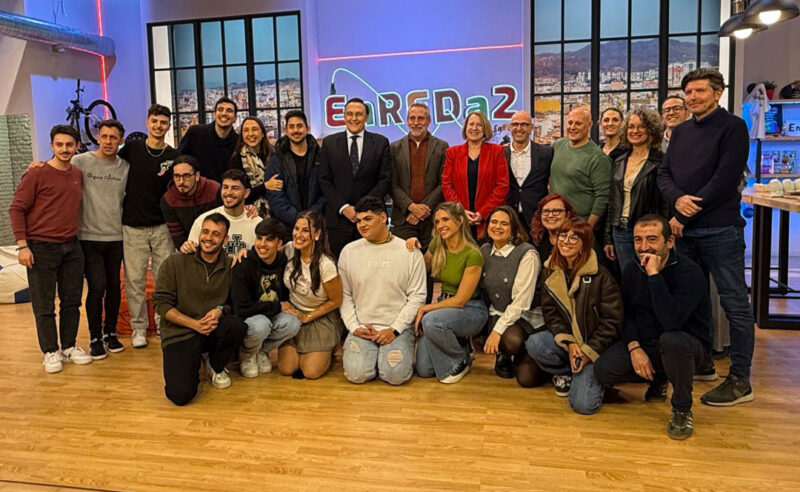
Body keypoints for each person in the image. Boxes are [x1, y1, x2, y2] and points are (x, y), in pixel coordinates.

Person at [657, 68, 755, 406]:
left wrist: (683, 211)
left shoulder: (733, 128)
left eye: (700, 91)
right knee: (694, 301)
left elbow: (725, 179)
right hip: (686, 232)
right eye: (688, 92)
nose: (692, 97)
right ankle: (703, 364)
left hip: (720, 229)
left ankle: (741, 380)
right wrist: (676, 201)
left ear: (718, 93)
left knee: (734, 304)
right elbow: (665, 173)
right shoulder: (681, 132)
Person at [594, 215, 713, 440]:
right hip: (647, 343)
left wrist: (654, 276)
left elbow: (672, 321)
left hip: (686, 346)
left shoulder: (689, 273)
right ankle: (658, 377)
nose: (644, 247)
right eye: (638, 240)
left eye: (651, 239)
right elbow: (627, 314)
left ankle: (681, 408)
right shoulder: (631, 269)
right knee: (603, 370)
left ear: (669, 242)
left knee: (672, 340)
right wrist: (634, 347)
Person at [9, 125, 92, 372]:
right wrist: (22, 246)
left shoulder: (77, 173)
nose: (64, 149)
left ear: (77, 146)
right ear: (52, 146)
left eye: (69, 145)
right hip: (40, 248)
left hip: (71, 246)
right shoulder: (36, 174)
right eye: (59, 145)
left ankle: (68, 346)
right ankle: (50, 351)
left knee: (71, 301)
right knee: (44, 305)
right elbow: (16, 209)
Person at [525, 218, 622, 414]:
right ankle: (569, 373)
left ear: (585, 244)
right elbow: (550, 314)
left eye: (574, 237)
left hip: (594, 346)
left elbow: (612, 321)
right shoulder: (550, 271)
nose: (566, 241)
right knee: (535, 344)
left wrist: (587, 351)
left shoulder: (602, 276)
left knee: (583, 406)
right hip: (570, 343)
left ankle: (591, 378)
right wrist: (569, 343)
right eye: (563, 235)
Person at [154, 213, 247, 405]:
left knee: (237, 325)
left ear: (225, 239)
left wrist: (220, 309)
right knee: (180, 395)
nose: (208, 238)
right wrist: (193, 324)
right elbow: (161, 304)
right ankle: (194, 361)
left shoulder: (231, 265)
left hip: (212, 328)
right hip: (181, 332)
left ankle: (214, 363)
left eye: (215, 234)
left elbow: (233, 303)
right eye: (205, 232)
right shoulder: (175, 262)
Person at [338, 196, 426, 385]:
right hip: (363, 327)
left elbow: (417, 296)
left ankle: (398, 350)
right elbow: (344, 295)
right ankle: (371, 356)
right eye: (359, 220)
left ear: (383, 218)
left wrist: (394, 330)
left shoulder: (408, 250)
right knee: (356, 375)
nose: (362, 225)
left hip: (397, 328)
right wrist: (354, 327)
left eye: (368, 219)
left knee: (395, 376)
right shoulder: (348, 251)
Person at [118, 104, 179, 349]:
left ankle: (163, 323)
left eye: (163, 122)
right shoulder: (132, 148)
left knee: (164, 278)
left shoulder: (173, 155)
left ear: (169, 126)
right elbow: (105, 159)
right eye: (154, 121)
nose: (158, 126)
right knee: (134, 280)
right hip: (132, 225)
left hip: (162, 225)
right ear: (147, 122)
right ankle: (139, 328)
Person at [413, 202, 489, 384]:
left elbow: (460, 300)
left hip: (471, 309)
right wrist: (412, 250)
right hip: (444, 307)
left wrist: (426, 308)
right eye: (437, 221)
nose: (441, 226)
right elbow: (418, 268)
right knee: (424, 369)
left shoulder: (473, 254)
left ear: (460, 220)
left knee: (430, 321)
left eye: (445, 219)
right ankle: (461, 346)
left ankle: (461, 359)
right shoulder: (436, 245)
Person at [72, 120, 129, 360]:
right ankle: (94, 336)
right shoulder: (80, 161)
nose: (108, 141)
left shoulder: (124, 166)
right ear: (97, 138)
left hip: (116, 237)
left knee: (114, 287)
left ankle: (110, 333)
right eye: (104, 136)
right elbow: (56, 169)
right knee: (97, 286)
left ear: (120, 140)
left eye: (113, 137)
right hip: (88, 236)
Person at [480, 205, 548, 387]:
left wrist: (496, 332)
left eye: (504, 223)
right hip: (501, 314)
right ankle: (509, 354)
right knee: (512, 343)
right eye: (493, 222)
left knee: (527, 379)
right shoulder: (484, 250)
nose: (497, 227)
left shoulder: (527, 254)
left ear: (514, 228)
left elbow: (521, 303)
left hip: (529, 317)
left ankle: (533, 354)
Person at [319, 98, 392, 255]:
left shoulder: (381, 142)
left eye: (359, 114)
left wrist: (362, 209)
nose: (354, 118)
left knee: (373, 267)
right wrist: (344, 208)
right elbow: (324, 180)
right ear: (344, 116)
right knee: (342, 269)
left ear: (366, 117)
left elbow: (385, 179)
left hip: (371, 218)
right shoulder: (329, 143)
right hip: (339, 220)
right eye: (349, 114)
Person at [276, 211, 345, 379]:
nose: (298, 235)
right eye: (296, 228)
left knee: (310, 372)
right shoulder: (290, 248)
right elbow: (266, 256)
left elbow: (336, 301)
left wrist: (308, 317)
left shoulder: (326, 264)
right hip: (294, 312)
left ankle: (332, 346)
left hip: (320, 314)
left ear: (317, 234)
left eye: (305, 230)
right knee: (287, 369)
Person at [231, 218, 301, 378]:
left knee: (293, 322)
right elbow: (240, 308)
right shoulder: (243, 263)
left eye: (269, 239)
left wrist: (279, 308)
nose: (262, 244)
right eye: (259, 238)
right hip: (250, 317)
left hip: (270, 314)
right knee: (261, 324)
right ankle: (247, 354)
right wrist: (276, 307)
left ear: (279, 243)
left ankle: (262, 351)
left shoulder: (283, 262)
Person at [603, 109, 668, 271]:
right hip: (620, 230)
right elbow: (612, 201)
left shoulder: (660, 161)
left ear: (651, 129)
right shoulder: (618, 161)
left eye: (641, 126)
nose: (635, 131)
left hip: (648, 231)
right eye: (631, 127)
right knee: (628, 279)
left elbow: (665, 202)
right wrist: (608, 237)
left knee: (651, 274)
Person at [390, 103, 449, 251]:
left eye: (420, 118)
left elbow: (445, 183)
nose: (416, 123)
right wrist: (411, 207)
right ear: (407, 121)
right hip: (403, 218)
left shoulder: (442, 146)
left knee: (433, 265)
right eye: (412, 118)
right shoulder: (394, 148)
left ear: (428, 121)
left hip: (433, 218)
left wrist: (423, 209)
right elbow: (391, 183)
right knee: (405, 266)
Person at [442, 110, 508, 239]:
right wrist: (460, 210)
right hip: (460, 218)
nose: (474, 128)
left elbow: (502, 185)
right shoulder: (452, 153)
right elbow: (446, 185)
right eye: (471, 124)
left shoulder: (497, 151)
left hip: (488, 219)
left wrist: (483, 213)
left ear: (485, 129)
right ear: (465, 128)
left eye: (479, 125)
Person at [548, 107, 612, 240]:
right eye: (570, 123)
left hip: (579, 225)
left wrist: (587, 228)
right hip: (555, 223)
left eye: (578, 123)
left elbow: (602, 197)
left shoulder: (598, 158)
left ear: (590, 125)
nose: (572, 127)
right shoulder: (558, 145)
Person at [265, 110, 326, 237]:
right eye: (291, 127)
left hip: (317, 224)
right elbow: (276, 196)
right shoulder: (277, 159)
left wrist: (311, 216)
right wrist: (299, 220)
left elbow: (326, 189)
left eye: (299, 126)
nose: (296, 130)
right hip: (286, 227)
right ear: (286, 131)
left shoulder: (320, 156)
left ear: (307, 129)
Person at [184, 169, 260, 256]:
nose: (228, 192)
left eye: (235, 188)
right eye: (225, 187)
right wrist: (187, 247)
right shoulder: (203, 220)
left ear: (246, 193)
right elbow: (192, 254)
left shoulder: (257, 223)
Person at [504, 110, 553, 233]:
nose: (519, 128)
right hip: (508, 218)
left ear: (531, 128)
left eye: (524, 124)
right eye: (515, 124)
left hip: (535, 219)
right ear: (510, 127)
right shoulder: (500, 153)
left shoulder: (546, 153)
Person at [161, 155, 221, 249]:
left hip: (219, 243)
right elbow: (177, 236)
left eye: (186, 176)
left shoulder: (215, 190)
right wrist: (186, 247)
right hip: (190, 246)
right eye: (177, 176)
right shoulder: (168, 199)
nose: (181, 181)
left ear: (197, 176)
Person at [178, 97, 239, 183]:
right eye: (220, 109)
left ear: (235, 118)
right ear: (214, 114)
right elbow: (179, 160)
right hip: (195, 190)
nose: (224, 113)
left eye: (229, 111)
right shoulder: (195, 133)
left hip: (224, 193)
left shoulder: (238, 143)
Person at [228, 116, 279, 218]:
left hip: (277, 210)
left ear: (263, 134)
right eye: (246, 130)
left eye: (255, 129)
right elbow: (238, 193)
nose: (251, 134)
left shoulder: (275, 154)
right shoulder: (237, 159)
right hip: (250, 213)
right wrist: (265, 186)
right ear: (242, 135)